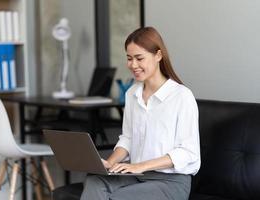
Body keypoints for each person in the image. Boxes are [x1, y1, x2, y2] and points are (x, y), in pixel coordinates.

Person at [80, 27, 201, 200]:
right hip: (137, 177)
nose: (133, 65)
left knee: (119, 197)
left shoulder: (181, 96)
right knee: (95, 182)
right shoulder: (132, 94)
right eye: (129, 58)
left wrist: (140, 166)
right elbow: (128, 138)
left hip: (170, 182)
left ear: (158, 55)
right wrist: (110, 162)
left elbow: (188, 152)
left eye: (139, 58)